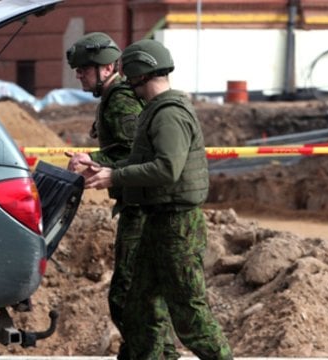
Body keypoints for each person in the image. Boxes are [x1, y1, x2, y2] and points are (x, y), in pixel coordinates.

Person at [81, 38, 233, 359]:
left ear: (139, 73)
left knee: (190, 316)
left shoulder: (168, 115)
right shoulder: (155, 112)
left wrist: (115, 176)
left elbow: (167, 169)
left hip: (177, 226)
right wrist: (103, 167)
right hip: (158, 222)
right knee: (139, 308)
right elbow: (140, 162)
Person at [64, 33, 180, 360]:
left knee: (129, 296)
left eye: (86, 68)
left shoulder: (121, 100)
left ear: (108, 68)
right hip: (136, 202)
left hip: (142, 206)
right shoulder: (115, 97)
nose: (80, 75)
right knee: (136, 297)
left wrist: (97, 164)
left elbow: (136, 157)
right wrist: (95, 161)